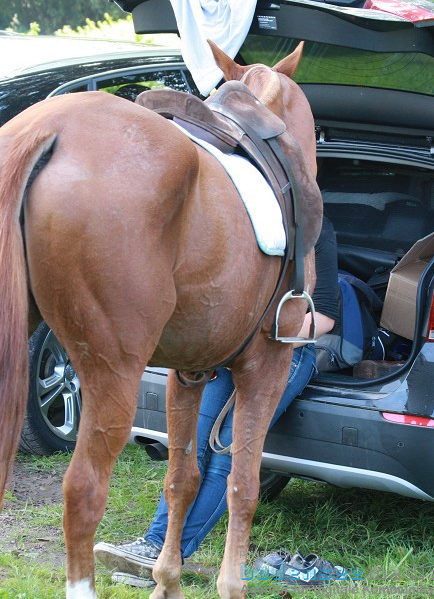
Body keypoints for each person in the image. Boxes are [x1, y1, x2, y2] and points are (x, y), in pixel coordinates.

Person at [94, 217, 342, 587]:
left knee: (225, 452)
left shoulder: (313, 228)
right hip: (229, 351)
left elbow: (324, 317)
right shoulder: (237, 217)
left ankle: (165, 553)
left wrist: (263, 339)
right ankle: (153, 547)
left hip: (286, 352)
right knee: (191, 446)